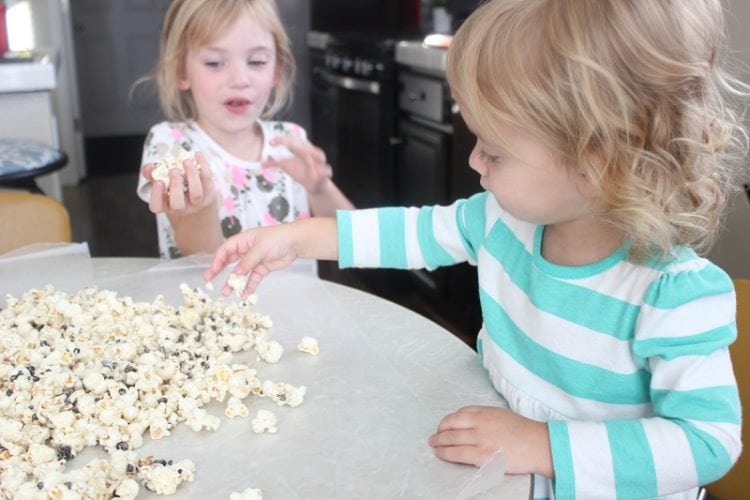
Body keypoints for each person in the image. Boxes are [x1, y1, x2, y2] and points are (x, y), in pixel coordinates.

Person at [204, 0, 747, 497]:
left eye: (494, 151)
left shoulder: (670, 294)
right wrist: (295, 237)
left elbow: (707, 444)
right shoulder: (500, 222)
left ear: (596, 161)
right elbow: (406, 234)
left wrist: (542, 443)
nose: (474, 163)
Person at [136, 0, 353, 259]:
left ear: (277, 70)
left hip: (294, 300)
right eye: (215, 63)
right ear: (182, 71)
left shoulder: (289, 142)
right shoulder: (170, 145)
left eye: (257, 61)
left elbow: (358, 241)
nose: (239, 80)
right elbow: (200, 261)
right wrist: (200, 211)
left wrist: (320, 189)